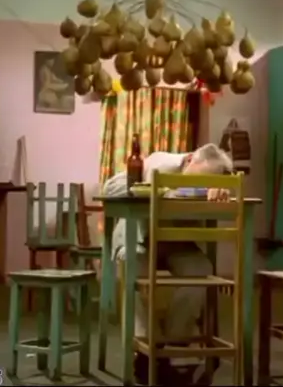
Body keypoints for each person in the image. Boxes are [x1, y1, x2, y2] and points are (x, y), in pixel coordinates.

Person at [102, 143, 233, 385]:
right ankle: (145, 350)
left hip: (176, 241)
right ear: (189, 160)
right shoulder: (160, 162)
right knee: (132, 267)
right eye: (193, 181)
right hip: (137, 236)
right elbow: (112, 188)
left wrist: (219, 192)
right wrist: (153, 188)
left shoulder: (214, 179)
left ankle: (175, 343)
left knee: (201, 271)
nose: (196, 186)